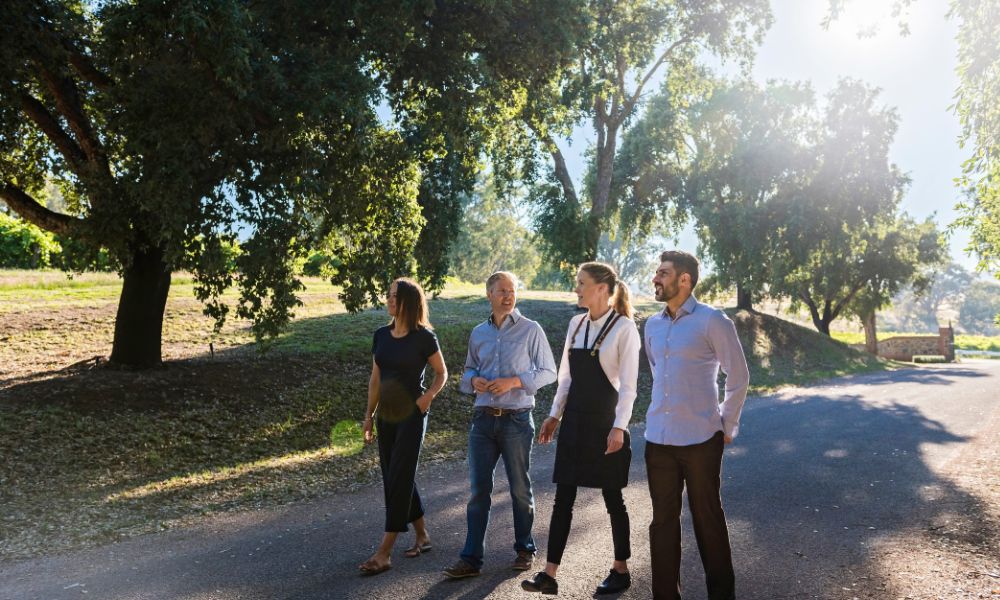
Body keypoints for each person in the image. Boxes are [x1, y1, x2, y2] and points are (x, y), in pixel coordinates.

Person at [523, 261, 641, 596]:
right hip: (574, 420)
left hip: (606, 424)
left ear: (602, 288)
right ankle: (549, 574)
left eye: (581, 283)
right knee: (563, 498)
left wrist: (619, 428)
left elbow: (629, 387)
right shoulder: (576, 324)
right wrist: (554, 415)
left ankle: (620, 569)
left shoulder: (624, 328)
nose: (576, 288)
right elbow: (566, 378)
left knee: (612, 497)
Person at [643, 250, 749, 600]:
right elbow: (660, 372)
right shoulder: (652, 325)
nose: (656, 279)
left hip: (702, 439)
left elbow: (739, 375)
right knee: (662, 527)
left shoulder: (712, 321)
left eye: (662, 273)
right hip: (658, 440)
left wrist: (727, 423)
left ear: (683, 279)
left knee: (708, 522)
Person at [442, 271, 558, 579]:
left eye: (512, 290)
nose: (508, 295)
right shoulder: (478, 332)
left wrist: (516, 381)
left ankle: (524, 549)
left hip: (517, 420)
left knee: (520, 488)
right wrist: (473, 381)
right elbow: (467, 371)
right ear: (489, 294)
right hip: (482, 421)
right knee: (479, 490)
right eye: (502, 290)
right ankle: (470, 559)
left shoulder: (531, 330)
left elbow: (549, 371)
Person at [359, 277, 448, 576]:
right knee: (395, 475)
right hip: (386, 416)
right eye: (388, 295)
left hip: (412, 414)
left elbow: (441, 373)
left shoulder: (424, 337)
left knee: (399, 476)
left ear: (409, 300)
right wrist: (368, 415)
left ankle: (384, 552)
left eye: (395, 296)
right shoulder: (381, 336)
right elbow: (375, 379)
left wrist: (428, 397)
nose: (389, 299)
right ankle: (422, 536)